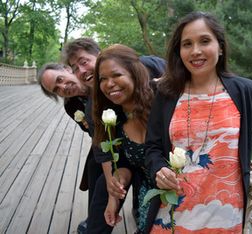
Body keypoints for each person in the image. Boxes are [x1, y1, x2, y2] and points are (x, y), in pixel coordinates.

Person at [144, 11, 252, 233]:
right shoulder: (167, 93)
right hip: (173, 211)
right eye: (187, 44)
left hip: (225, 214)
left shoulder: (245, 90)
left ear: (220, 47)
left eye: (204, 41)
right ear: (179, 52)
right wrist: (159, 168)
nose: (196, 51)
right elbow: (152, 146)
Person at [60, 38, 165, 233]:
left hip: (172, 181)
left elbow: (182, 74)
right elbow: (105, 151)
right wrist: (113, 192)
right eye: (75, 68)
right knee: (102, 180)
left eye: (84, 62)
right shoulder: (96, 108)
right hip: (125, 158)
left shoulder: (157, 86)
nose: (81, 71)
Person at [92, 44, 158, 233]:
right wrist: (116, 189)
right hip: (147, 202)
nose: (109, 84)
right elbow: (126, 165)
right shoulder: (114, 121)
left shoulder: (162, 103)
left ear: (134, 73)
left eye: (116, 75)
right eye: (103, 79)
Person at [38, 63, 101, 233]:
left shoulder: (95, 79)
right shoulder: (71, 106)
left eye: (60, 79)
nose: (63, 87)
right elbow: (90, 132)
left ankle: (139, 209)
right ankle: (95, 217)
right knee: (93, 168)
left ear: (66, 69)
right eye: (56, 89)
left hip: (134, 132)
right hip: (104, 140)